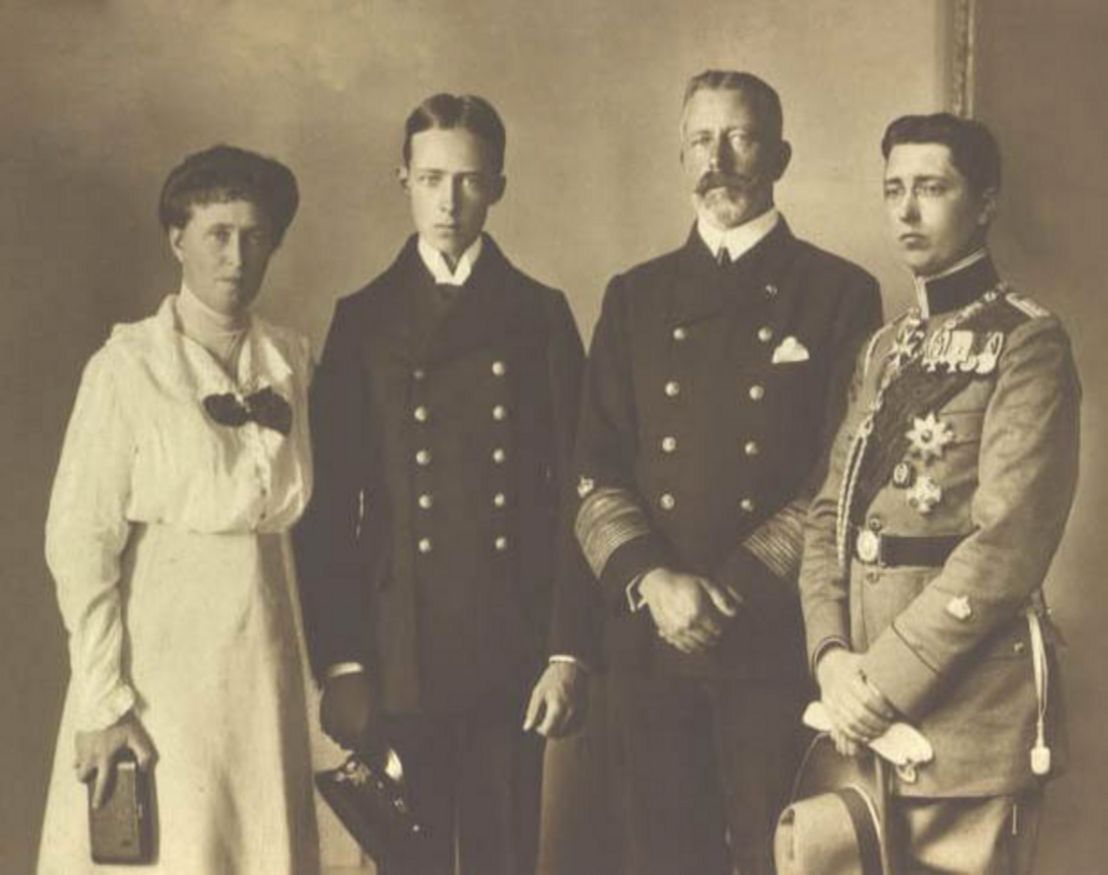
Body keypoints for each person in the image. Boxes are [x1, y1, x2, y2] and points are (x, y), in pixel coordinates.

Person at [571, 69, 882, 875]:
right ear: (682, 155)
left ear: (780, 155)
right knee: (660, 857)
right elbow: (594, 466)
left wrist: (731, 587)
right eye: (702, 140)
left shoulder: (840, 293)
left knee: (776, 853)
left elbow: (840, 474)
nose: (720, 160)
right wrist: (653, 581)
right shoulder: (633, 296)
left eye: (740, 138)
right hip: (650, 641)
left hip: (772, 636)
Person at [293, 93, 595, 875]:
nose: (448, 202)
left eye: (468, 180)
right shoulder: (364, 319)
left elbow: (580, 495)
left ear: (498, 186)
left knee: (505, 860)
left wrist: (567, 648)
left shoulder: (540, 315)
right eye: (430, 179)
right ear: (404, 180)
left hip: (512, 645)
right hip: (399, 650)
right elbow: (329, 510)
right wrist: (342, 661)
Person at [799, 113, 1080, 873]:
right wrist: (831, 658)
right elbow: (829, 518)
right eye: (894, 189)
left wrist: (879, 681)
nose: (907, 210)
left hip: (966, 715)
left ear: (984, 203)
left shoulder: (1027, 343)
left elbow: (1006, 547)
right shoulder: (885, 350)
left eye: (931, 188)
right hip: (859, 705)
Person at [37, 145, 320, 874]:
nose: (237, 256)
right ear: (177, 240)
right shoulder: (128, 367)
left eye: (255, 236)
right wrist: (104, 701)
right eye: (217, 233)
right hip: (161, 665)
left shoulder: (291, 362)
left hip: (262, 658)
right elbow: (79, 543)